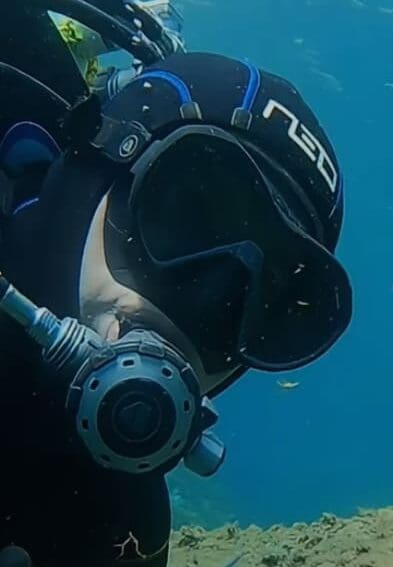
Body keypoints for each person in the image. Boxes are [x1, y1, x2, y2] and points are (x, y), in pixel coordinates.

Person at [0, 2, 353, 565]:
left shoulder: (118, 526)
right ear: (93, 173)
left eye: (257, 300)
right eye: (185, 218)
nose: (201, 305)